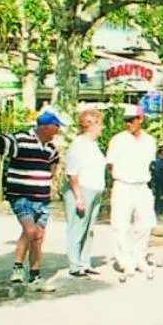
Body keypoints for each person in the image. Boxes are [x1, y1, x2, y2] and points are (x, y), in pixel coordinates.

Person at [0, 110, 63, 283]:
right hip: (21, 195)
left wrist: (49, 177)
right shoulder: (21, 139)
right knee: (30, 230)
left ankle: (35, 273)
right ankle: (17, 267)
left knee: (39, 235)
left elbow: (55, 160)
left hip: (42, 197)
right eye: (56, 127)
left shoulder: (50, 148)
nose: (58, 131)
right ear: (47, 127)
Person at [105, 105, 158, 279]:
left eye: (132, 120)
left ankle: (139, 257)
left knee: (146, 223)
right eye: (126, 120)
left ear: (140, 119)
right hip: (123, 184)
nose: (128, 124)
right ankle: (125, 262)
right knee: (120, 225)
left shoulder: (149, 140)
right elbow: (110, 164)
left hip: (142, 185)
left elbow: (150, 163)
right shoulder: (118, 140)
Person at [62, 107, 109, 278]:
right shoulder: (78, 144)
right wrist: (78, 197)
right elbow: (72, 173)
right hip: (82, 188)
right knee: (77, 227)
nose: (101, 128)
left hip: (95, 188)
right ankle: (75, 264)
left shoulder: (93, 145)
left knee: (89, 229)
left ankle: (84, 261)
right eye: (99, 124)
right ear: (91, 125)